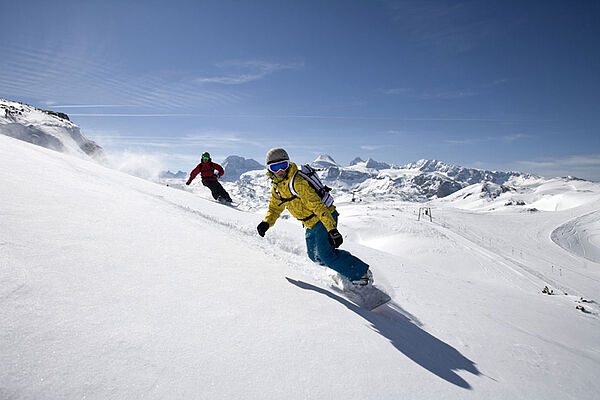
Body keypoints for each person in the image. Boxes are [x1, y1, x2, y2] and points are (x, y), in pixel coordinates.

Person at [256, 148, 372, 287]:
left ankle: (361, 274)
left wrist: (332, 229)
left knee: (325, 255)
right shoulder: (277, 188)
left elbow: (318, 206)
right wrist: (266, 223)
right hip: (310, 223)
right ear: (269, 169)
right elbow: (274, 208)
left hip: (323, 217)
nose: (280, 170)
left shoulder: (297, 182)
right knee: (315, 256)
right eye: (275, 167)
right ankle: (344, 265)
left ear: (288, 163)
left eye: (284, 165)